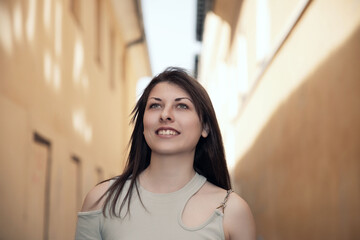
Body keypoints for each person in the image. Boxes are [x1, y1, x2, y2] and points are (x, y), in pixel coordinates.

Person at [75, 67, 255, 240]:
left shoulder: (231, 211)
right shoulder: (100, 200)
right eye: (155, 105)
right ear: (143, 125)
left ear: (205, 127)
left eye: (182, 106)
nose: (165, 115)